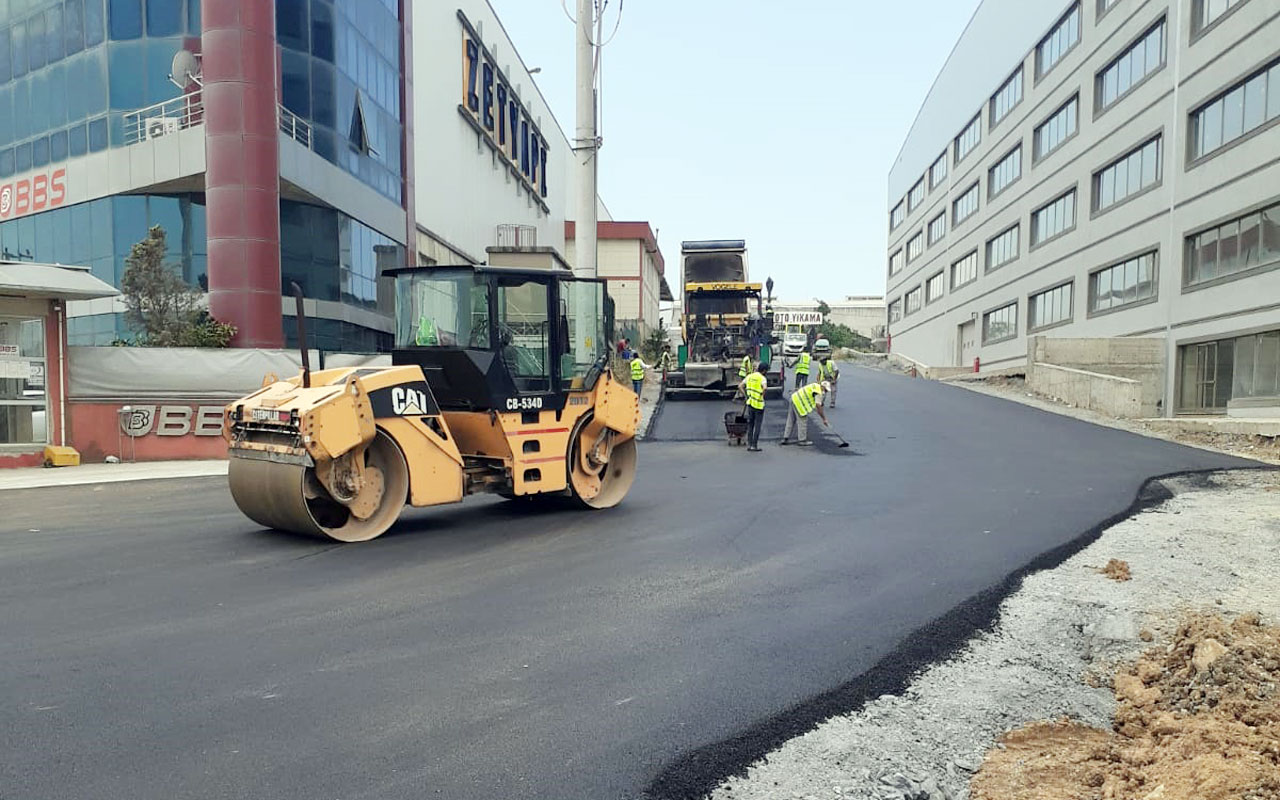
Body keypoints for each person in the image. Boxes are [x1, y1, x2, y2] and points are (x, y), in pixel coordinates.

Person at [779, 380, 830, 447]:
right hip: (799, 404)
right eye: (826, 390)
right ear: (823, 387)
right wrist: (824, 419)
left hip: (794, 398)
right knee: (802, 421)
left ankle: (785, 438)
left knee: (791, 420)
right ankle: (802, 440)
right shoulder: (818, 392)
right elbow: (818, 406)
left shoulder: (814, 385)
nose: (825, 392)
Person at [738, 362, 768, 452]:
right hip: (759, 405)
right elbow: (765, 388)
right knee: (757, 425)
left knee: (751, 425)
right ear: (764, 370)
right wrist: (762, 395)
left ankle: (750, 444)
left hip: (750, 403)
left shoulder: (749, 376)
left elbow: (740, 386)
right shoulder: (762, 378)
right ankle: (754, 446)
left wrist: (746, 396)